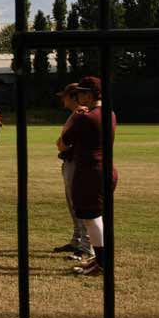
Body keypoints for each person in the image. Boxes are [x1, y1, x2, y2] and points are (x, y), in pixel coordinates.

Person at [58, 76, 118, 277]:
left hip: (90, 172)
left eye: (82, 92)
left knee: (91, 219)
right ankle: (100, 260)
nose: (79, 96)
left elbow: (62, 143)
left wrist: (75, 117)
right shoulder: (110, 114)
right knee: (98, 217)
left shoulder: (85, 117)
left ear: (90, 94)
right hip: (107, 169)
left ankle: (102, 264)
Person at [52, 84, 92, 260]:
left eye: (65, 96)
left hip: (77, 163)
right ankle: (77, 240)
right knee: (73, 205)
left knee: (81, 205)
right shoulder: (76, 114)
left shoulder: (82, 115)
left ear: (74, 97)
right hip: (70, 161)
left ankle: (86, 246)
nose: (63, 99)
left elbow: (63, 141)